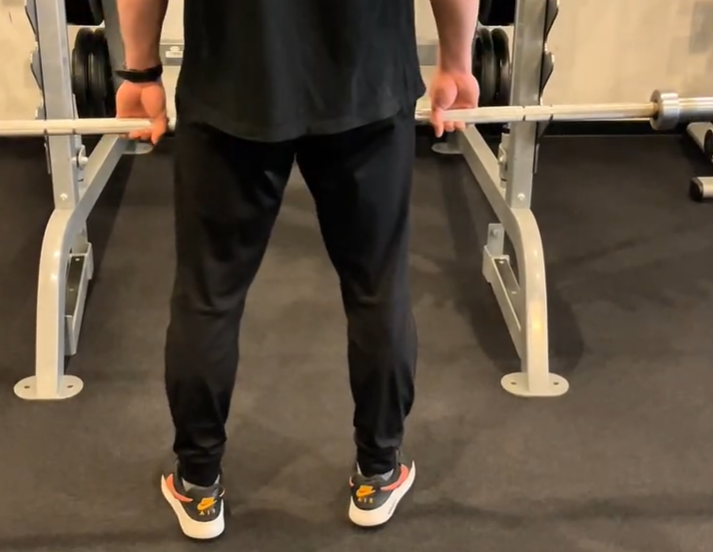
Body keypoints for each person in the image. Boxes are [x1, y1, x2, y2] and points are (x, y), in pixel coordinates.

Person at [114, 0, 480, 540]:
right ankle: (378, 472)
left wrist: (142, 70)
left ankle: (198, 483)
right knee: (377, 288)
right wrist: (456, 62)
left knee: (209, 295)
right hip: (367, 91)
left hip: (232, 93)